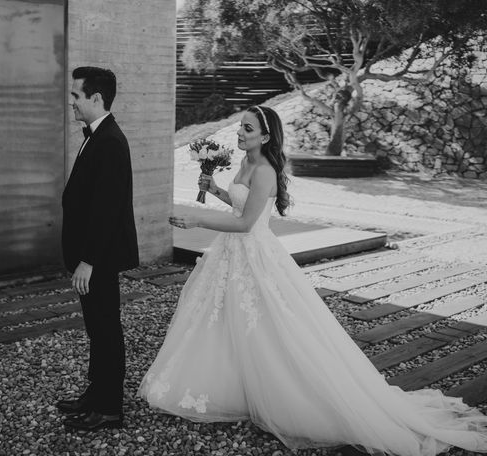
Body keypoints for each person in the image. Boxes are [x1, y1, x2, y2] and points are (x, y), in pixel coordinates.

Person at [137, 105, 487, 455]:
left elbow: (246, 225)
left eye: (247, 128)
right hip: (232, 254)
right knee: (225, 319)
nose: (239, 133)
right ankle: (231, 386)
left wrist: (198, 221)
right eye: (240, 127)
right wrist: (214, 189)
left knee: (266, 325)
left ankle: (280, 391)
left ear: (266, 135)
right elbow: (240, 208)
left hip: (255, 255)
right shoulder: (245, 162)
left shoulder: (264, 171)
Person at [59, 66, 139, 431]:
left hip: (100, 259)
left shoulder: (110, 141)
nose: (71, 101)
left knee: (106, 329)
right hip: (93, 256)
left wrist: (88, 261)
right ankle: (96, 394)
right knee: (97, 327)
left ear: (96, 98)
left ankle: (109, 408)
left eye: (76, 95)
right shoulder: (98, 134)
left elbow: (106, 210)